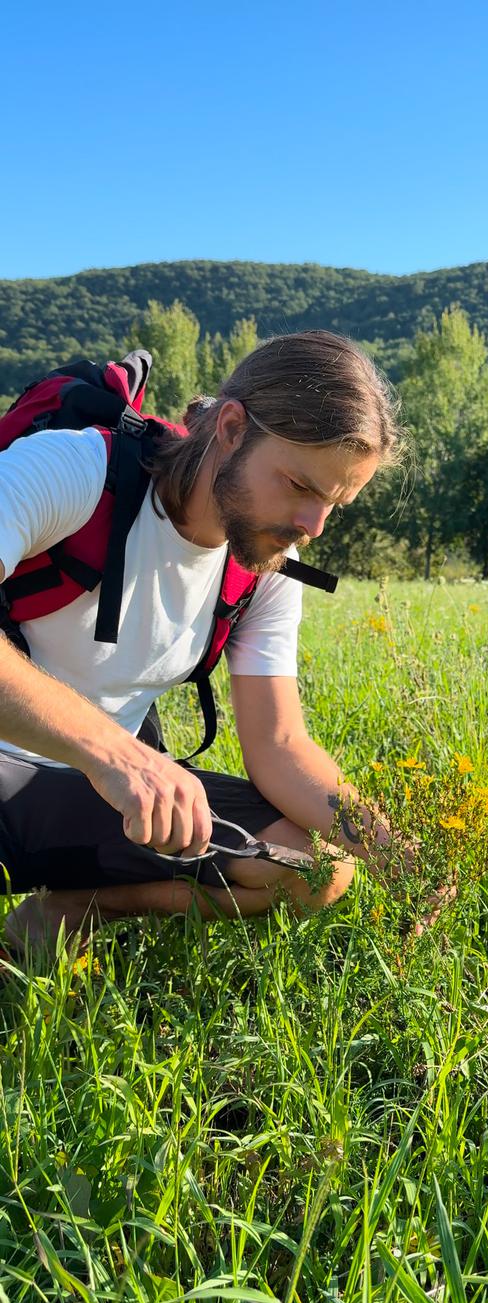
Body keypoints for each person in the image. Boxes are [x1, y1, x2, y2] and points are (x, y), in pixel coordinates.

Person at [0, 329, 412, 955]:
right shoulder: (74, 469)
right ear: (230, 429)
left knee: (316, 868)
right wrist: (115, 753)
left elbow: (279, 744)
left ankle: (69, 912)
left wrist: (391, 845)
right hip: (76, 771)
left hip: (99, 795)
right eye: (301, 486)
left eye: (336, 504)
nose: (313, 527)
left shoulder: (265, 565)